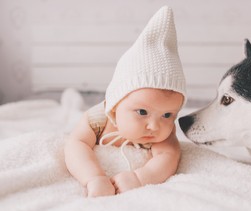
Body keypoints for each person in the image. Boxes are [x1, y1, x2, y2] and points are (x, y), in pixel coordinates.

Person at [64, 6, 186, 197]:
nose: (154, 126)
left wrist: (141, 177)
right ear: (114, 107)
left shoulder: (165, 132)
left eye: (167, 114)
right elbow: (75, 144)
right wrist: (94, 178)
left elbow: (168, 157)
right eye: (142, 112)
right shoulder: (97, 119)